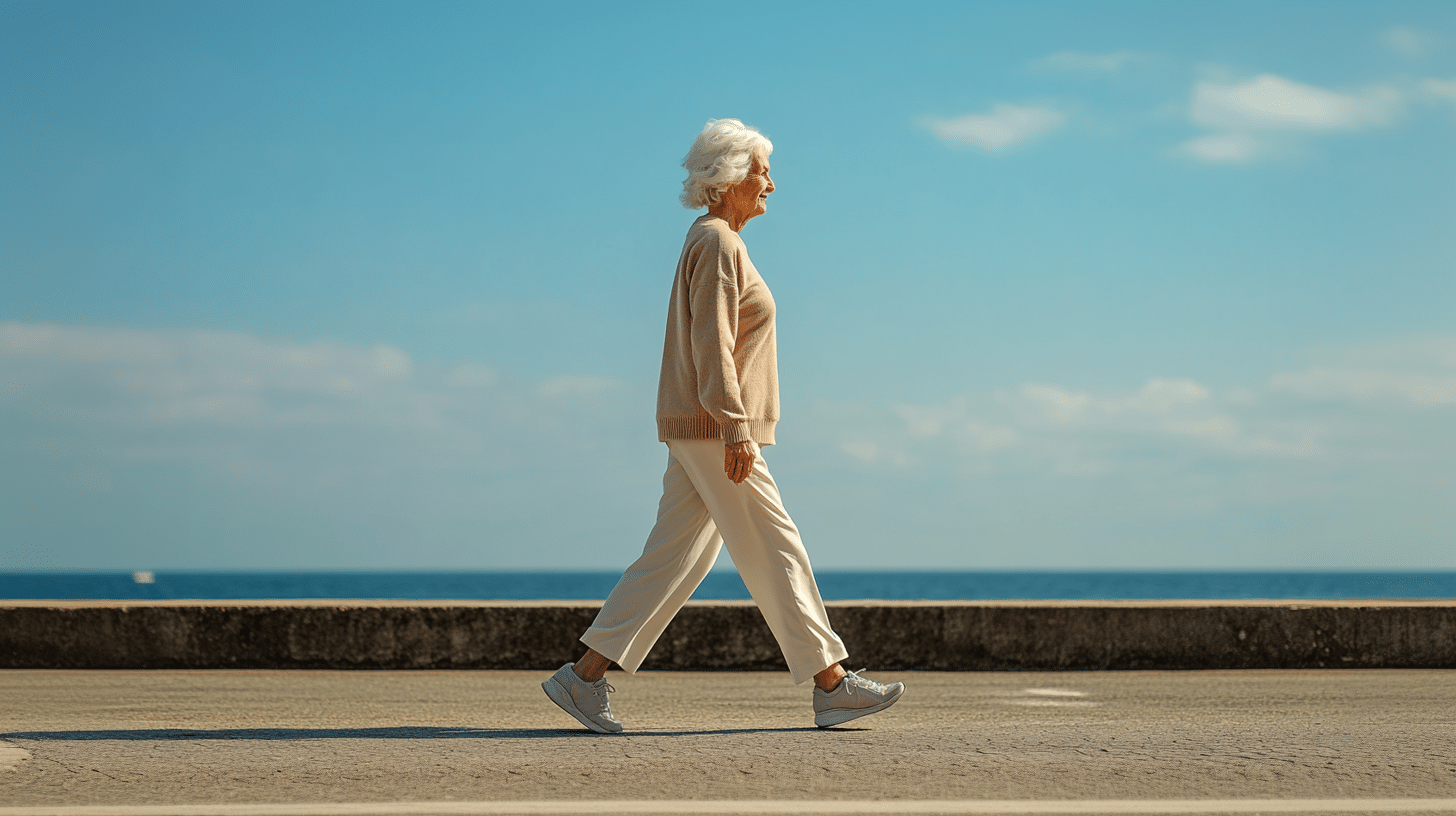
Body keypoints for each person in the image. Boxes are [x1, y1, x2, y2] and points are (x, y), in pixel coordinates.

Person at [541, 118, 904, 733]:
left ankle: (583, 678)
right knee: (774, 543)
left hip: (701, 426)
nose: (771, 183)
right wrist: (736, 426)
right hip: (715, 428)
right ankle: (832, 683)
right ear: (728, 178)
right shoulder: (716, 242)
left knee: (675, 559)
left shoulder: (711, 239)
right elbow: (712, 341)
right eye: (762, 170)